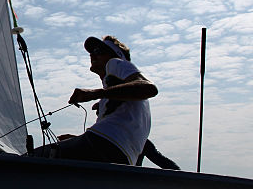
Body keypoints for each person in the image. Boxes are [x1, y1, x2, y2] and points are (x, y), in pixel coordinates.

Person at [32, 35, 176, 168]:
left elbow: (150, 88)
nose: (92, 55)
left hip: (103, 144)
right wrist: (77, 139)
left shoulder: (116, 63)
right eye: (91, 51)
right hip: (120, 156)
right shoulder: (118, 95)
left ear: (116, 55)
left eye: (99, 50)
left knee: (32, 159)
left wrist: (94, 93)